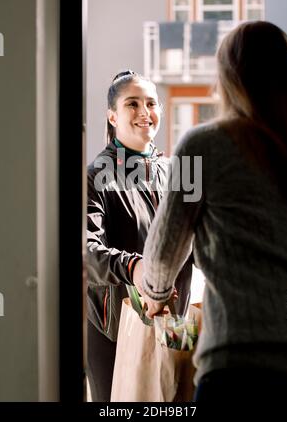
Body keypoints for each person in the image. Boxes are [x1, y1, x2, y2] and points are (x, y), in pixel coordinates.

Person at [137, 21, 287, 409]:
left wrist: (155, 294)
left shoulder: (201, 147)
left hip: (235, 367)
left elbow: (166, 247)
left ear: (227, 80)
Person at [86, 70, 192, 402]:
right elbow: (87, 251)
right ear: (112, 115)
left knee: (177, 404)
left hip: (176, 323)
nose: (145, 113)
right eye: (132, 104)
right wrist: (135, 268)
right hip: (116, 330)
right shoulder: (95, 176)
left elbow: (201, 242)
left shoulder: (180, 171)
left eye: (151, 103)